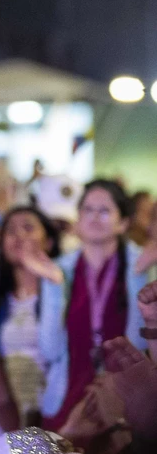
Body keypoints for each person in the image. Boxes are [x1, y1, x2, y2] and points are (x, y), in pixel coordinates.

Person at [42, 178, 151, 426]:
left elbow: (139, 342)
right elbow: (49, 349)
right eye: (87, 210)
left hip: (125, 398)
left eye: (104, 211)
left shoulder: (140, 265)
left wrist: (138, 275)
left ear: (123, 223)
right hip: (68, 394)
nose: (94, 217)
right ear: (78, 219)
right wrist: (54, 285)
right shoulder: (59, 270)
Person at [0, 206, 63, 423]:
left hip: (56, 412)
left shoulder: (64, 291)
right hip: (7, 418)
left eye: (28, 228)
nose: (19, 236)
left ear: (49, 242)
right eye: (11, 231)